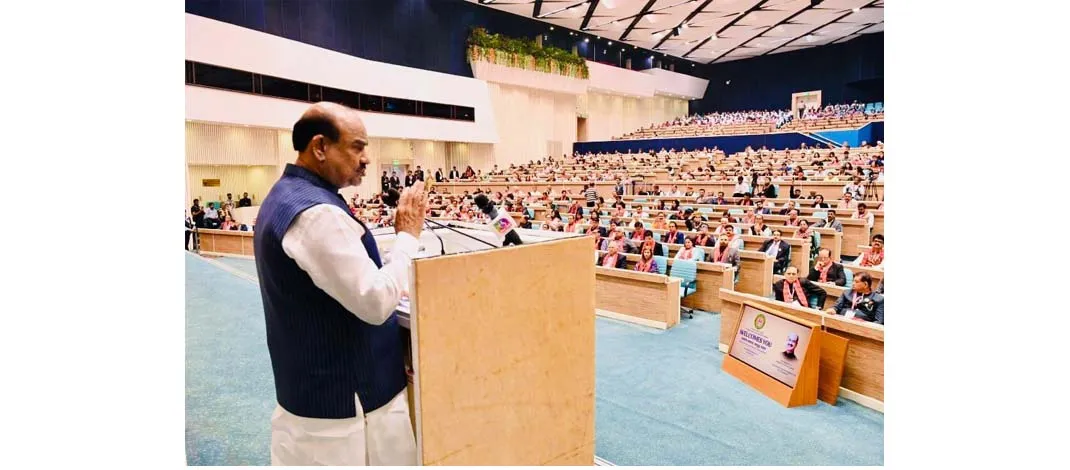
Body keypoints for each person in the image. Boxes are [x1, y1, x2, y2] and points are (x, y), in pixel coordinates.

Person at [253, 102, 425, 466]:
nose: (366, 159)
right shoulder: (317, 214)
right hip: (346, 409)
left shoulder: (287, 196)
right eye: (357, 147)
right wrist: (407, 238)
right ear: (320, 147)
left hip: (315, 396)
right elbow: (376, 302)